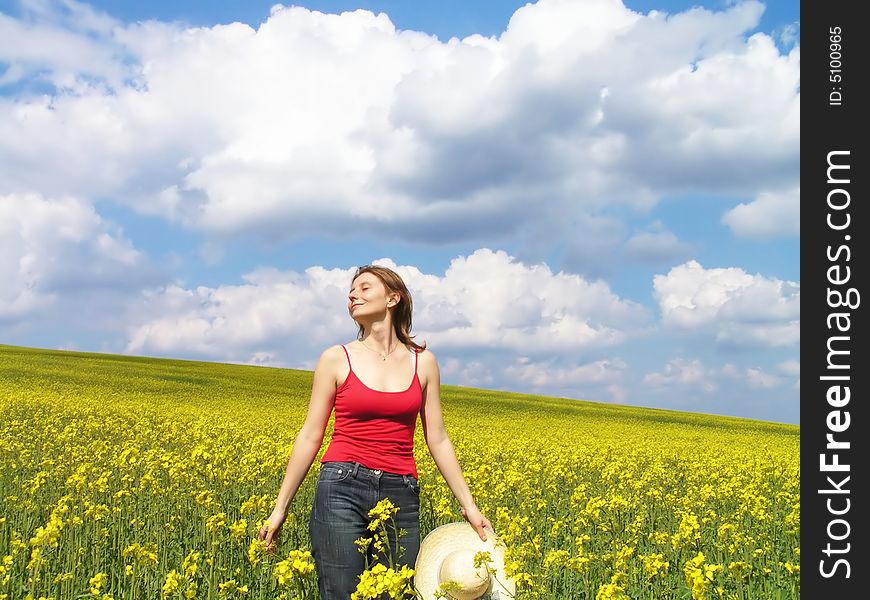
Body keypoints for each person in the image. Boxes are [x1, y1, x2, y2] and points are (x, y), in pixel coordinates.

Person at [258, 264, 492, 599]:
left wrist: (469, 505)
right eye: (351, 291)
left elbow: (437, 438)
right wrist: (280, 508)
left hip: (402, 493)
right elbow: (311, 435)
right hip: (341, 487)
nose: (353, 294)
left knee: (395, 593)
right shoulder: (336, 359)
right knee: (341, 593)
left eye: (365, 288)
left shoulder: (423, 362)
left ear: (393, 298)